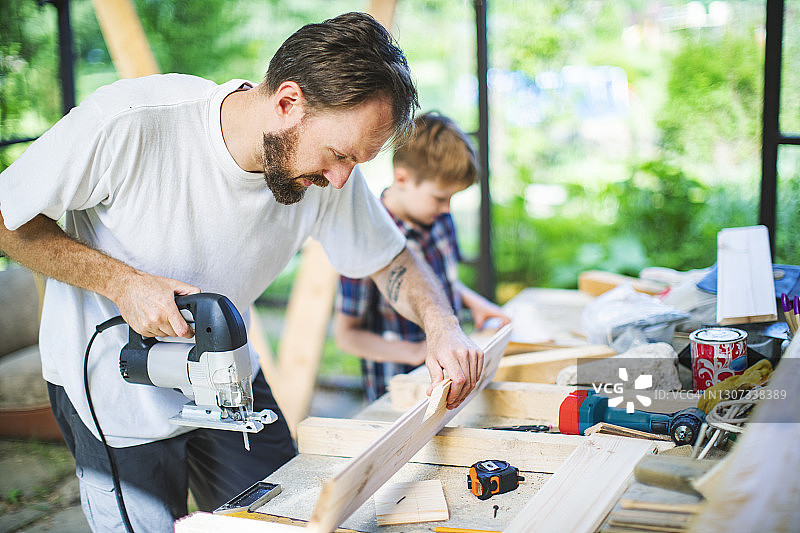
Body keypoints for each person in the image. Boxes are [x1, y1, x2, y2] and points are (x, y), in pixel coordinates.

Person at [0, 13, 484, 532]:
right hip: (114, 389)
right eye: (339, 156)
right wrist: (123, 283)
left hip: (228, 377)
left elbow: (394, 259)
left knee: (286, 521)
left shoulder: (325, 173)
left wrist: (443, 327)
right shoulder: (132, 122)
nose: (342, 182)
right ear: (287, 102)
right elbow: (8, 220)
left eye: (357, 164)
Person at [334, 112, 511, 402]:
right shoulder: (364, 238)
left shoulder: (438, 219)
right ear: (402, 178)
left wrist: (474, 302)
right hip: (398, 396)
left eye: (452, 199)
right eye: (441, 198)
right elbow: (348, 335)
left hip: (449, 384)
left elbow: (439, 283)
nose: (447, 209)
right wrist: (419, 350)